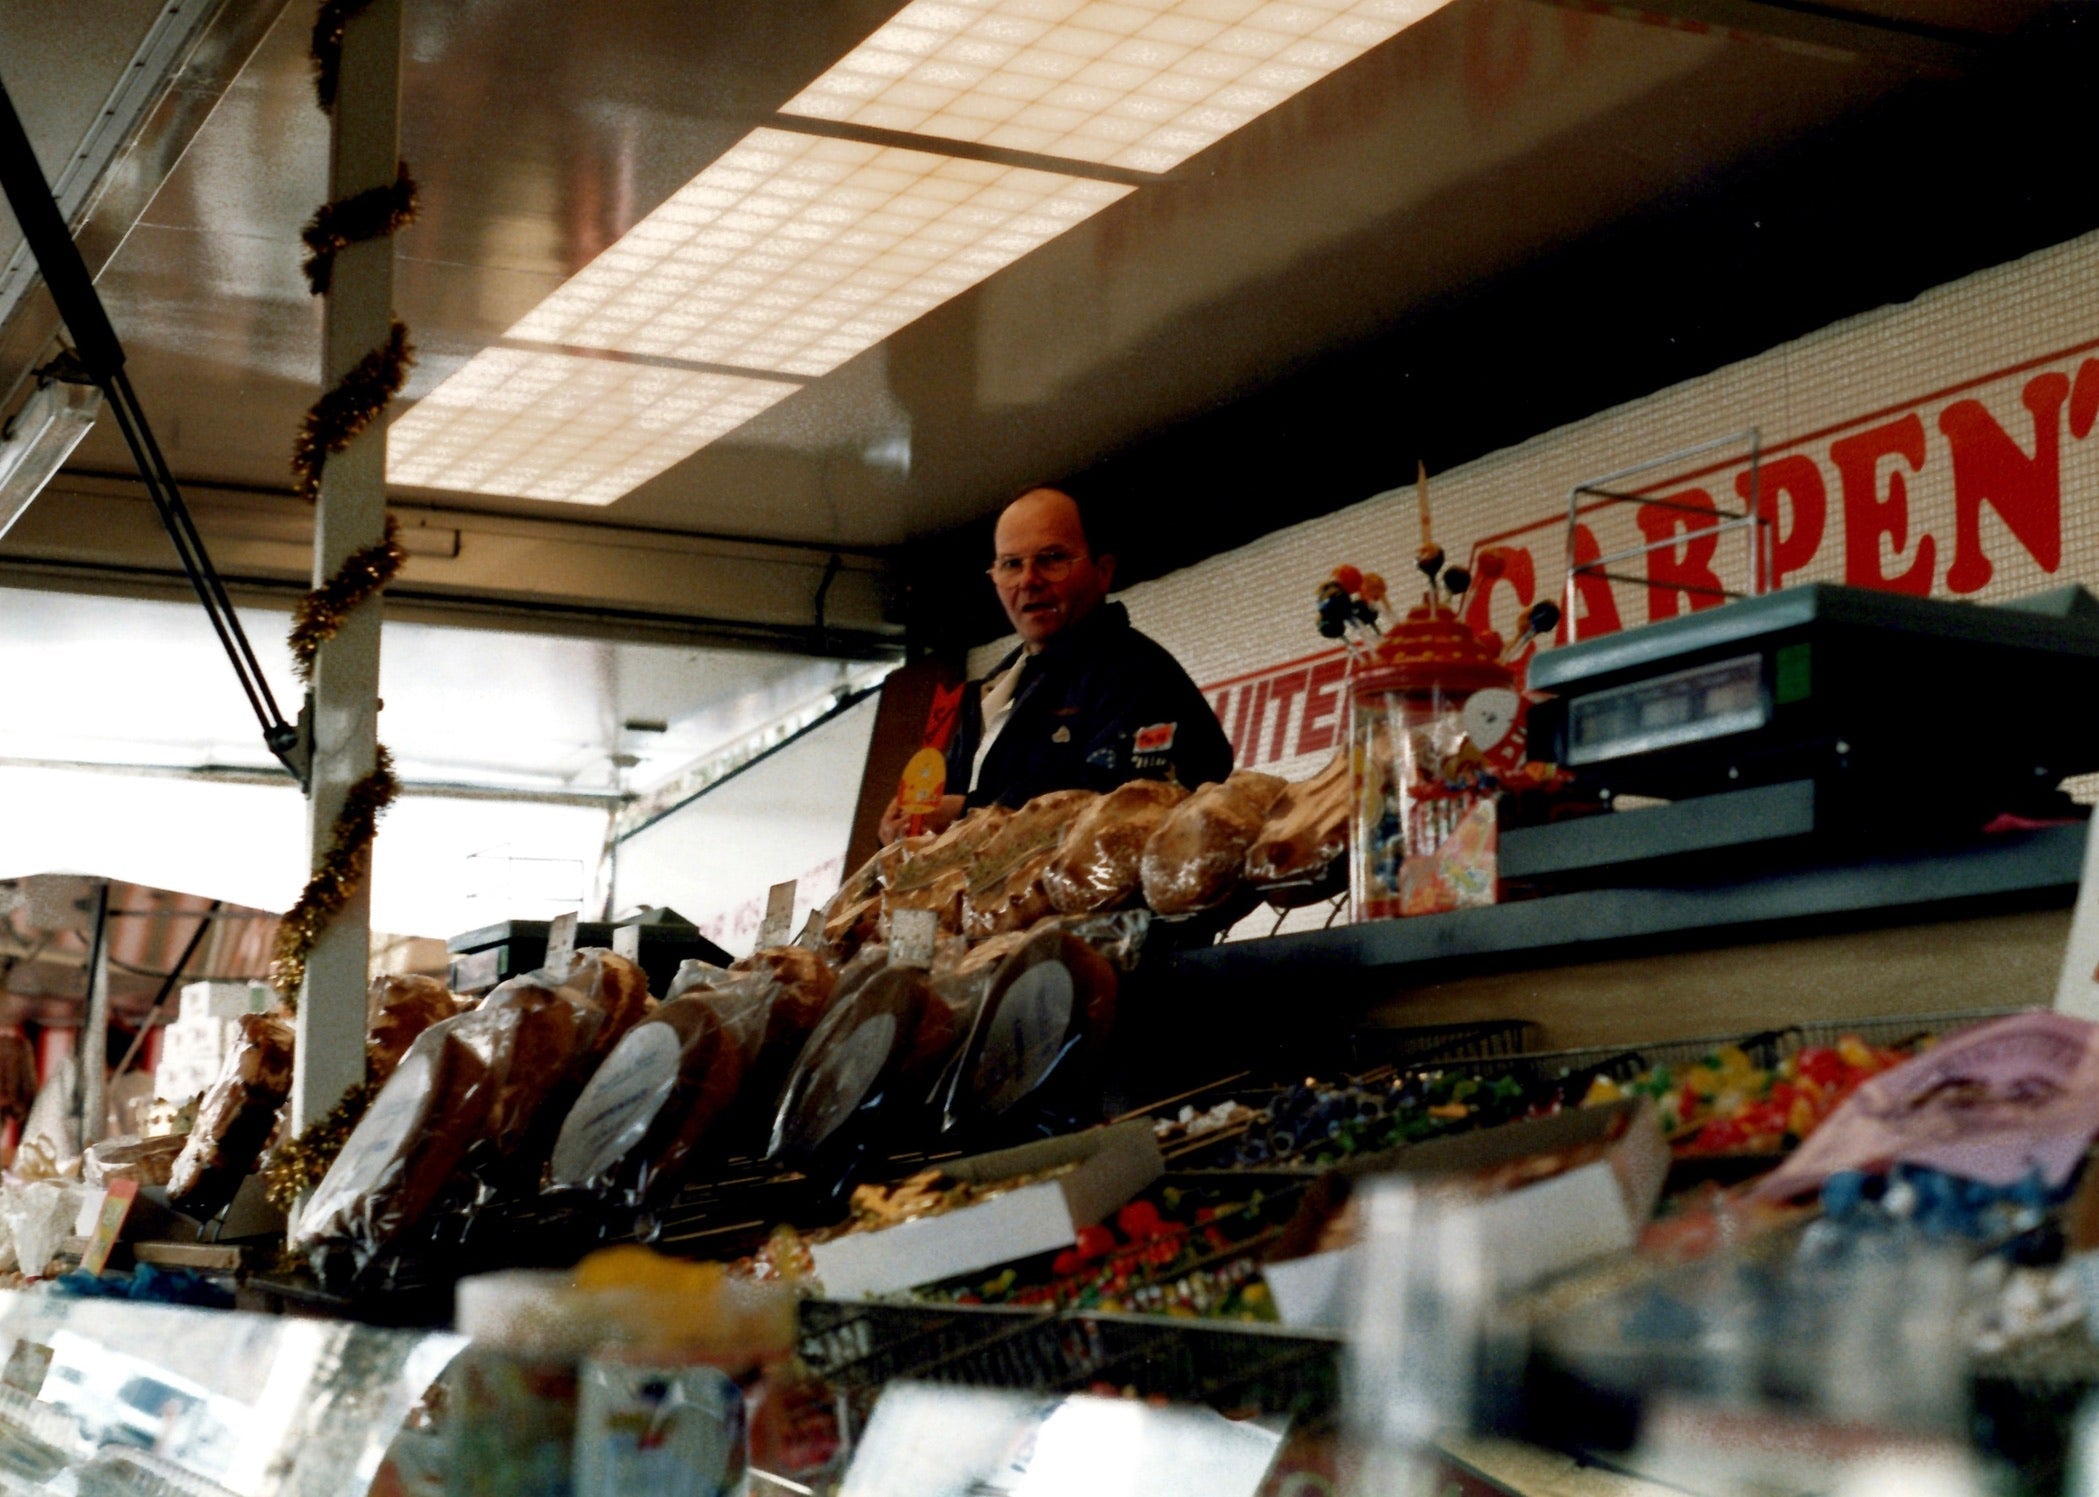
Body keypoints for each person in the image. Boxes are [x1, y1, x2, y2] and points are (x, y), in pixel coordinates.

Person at [880, 487, 1233, 841]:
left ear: (1103, 571)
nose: (1029, 580)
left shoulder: (1136, 671)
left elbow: (1126, 801)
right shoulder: (991, 691)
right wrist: (904, 831)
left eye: (1052, 559)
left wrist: (965, 813)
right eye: (1011, 564)